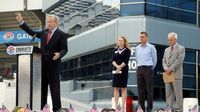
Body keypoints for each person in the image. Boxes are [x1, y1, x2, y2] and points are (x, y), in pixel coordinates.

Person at [16, 12, 68, 112]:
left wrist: (59, 54)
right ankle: (43, 109)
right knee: (42, 88)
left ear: (56, 23)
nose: (48, 24)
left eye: (50, 22)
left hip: (53, 65)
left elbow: (65, 49)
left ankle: (57, 109)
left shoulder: (62, 34)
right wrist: (21, 22)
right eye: (47, 22)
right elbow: (31, 32)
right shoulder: (43, 32)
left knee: (55, 89)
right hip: (41, 65)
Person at [162, 32, 185, 112]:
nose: (169, 42)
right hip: (167, 74)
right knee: (168, 94)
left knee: (178, 94)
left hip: (176, 74)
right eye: (168, 40)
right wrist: (165, 67)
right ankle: (169, 109)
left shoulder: (181, 48)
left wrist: (170, 69)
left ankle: (179, 110)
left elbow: (179, 60)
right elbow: (163, 60)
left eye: (171, 40)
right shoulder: (166, 50)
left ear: (175, 39)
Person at [135, 32, 157, 112]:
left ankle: (149, 109)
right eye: (140, 37)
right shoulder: (137, 48)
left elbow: (155, 60)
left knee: (149, 90)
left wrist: (150, 68)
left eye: (143, 37)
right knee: (140, 90)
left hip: (148, 69)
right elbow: (137, 59)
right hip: (139, 69)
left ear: (147, 38)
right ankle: (141, 109)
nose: (141, 38)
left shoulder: (151, 47)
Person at [112, 36, 131, 111]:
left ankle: (123, 106)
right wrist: (117, 67)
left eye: (121, 40)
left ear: (124, 42)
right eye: (119, 40)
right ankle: (116, 107)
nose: (119, 41)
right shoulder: (115, 50)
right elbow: (113, 60)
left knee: (123, 88)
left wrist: (120, 67)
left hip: (123, 71)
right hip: (115, 71)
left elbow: (126, 61)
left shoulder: (127, 51)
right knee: (116, 88)